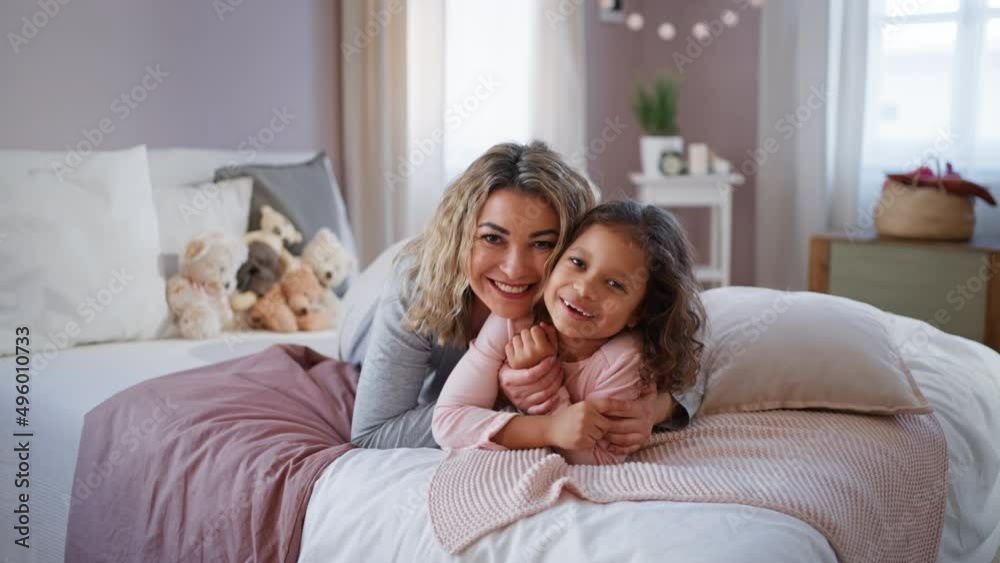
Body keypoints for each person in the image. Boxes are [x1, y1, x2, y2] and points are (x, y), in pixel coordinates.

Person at [345, 141, 704, 452]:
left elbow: (690, 330)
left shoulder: (579, 288)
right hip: (369, 303)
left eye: (542, 244)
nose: (515, 269)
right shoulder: (413, 288)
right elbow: (373, 433)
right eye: (492, 238)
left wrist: (653, 408)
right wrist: (511, 407)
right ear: (460, 237)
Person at [432, 201, 706, 464]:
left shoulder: (624, 359)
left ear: (639, 312)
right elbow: (448, 423)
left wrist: (548, 397)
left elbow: (598, 457)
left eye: (614, 284)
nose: (584, 289)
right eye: (578, 263)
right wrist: (549, 428)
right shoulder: (514, 322)